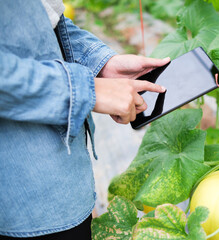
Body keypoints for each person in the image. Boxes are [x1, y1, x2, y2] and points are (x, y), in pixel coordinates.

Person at [0, 0, 170, 239]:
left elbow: (43, 21)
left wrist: (101, 62)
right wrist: (84, 90)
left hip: (67, 183)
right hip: (23, 202)